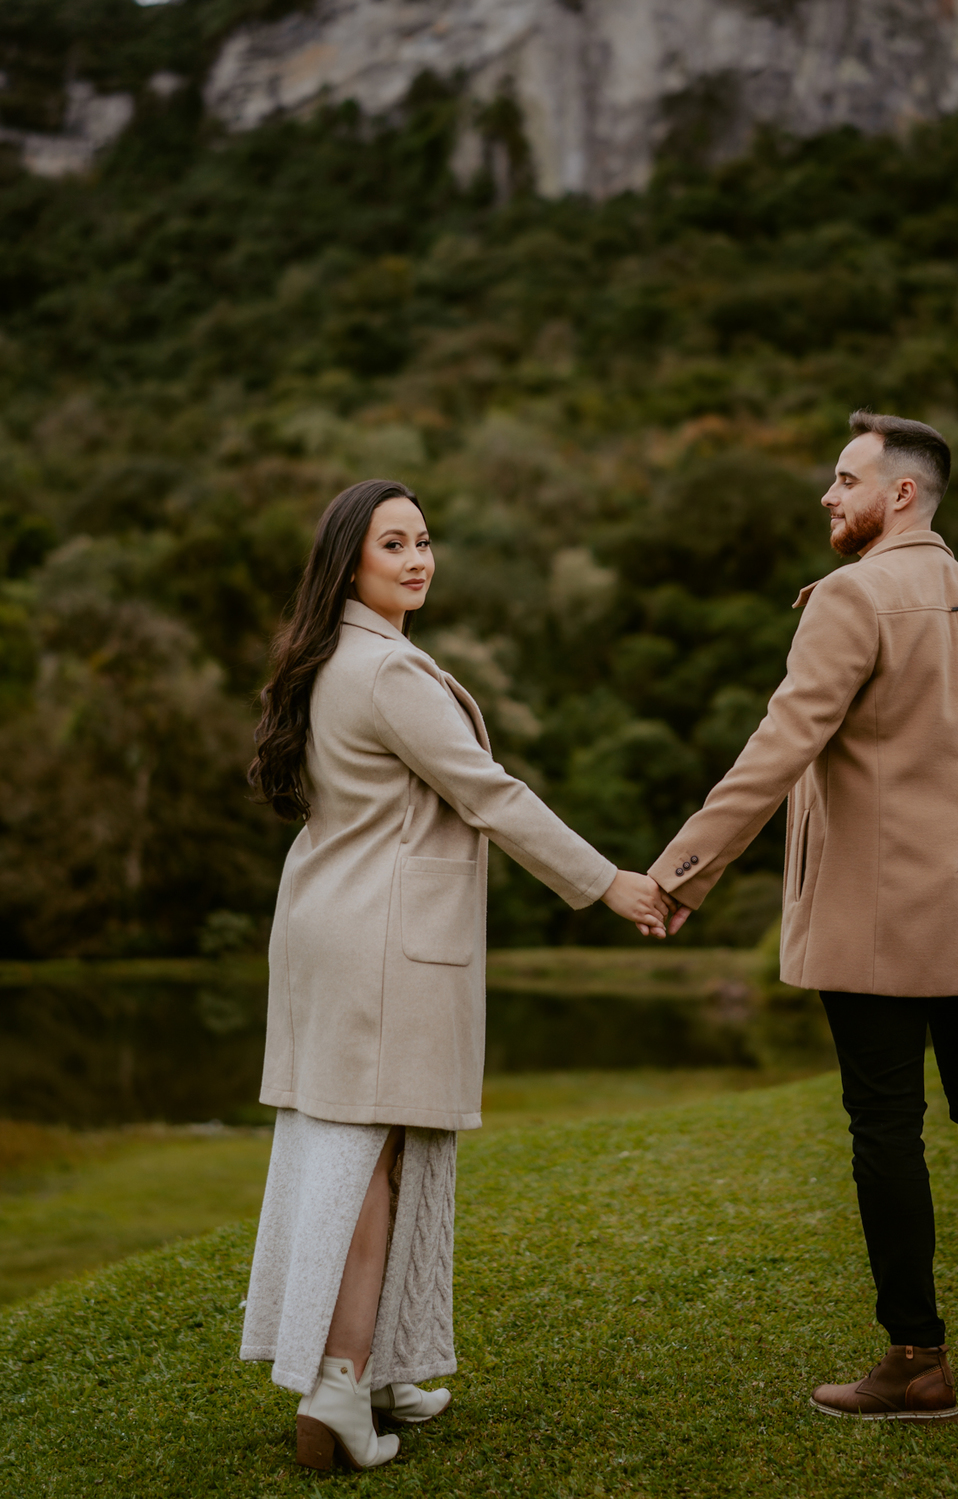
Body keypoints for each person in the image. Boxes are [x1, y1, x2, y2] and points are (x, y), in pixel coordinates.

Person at [241, 479, 670, 1471]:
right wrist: (609, 882)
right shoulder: (386, 672)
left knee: (371, 1155)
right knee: (370, 1166)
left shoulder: (331, 658)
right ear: (353, 561)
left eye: (425, 539)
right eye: (395, 543)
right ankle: (341, 1386)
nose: (419, 557)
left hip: (327, 926)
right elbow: (492, 795)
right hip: (377, 940)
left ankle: (379, 1367)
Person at [649, 412, 958, 1422]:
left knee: (888, 1124)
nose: (828, 496)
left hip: (875, 917)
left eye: (843, 478)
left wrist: (680, 870)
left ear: (899, 494)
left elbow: (778, 750)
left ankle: (915, 1360)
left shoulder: (851, 597)